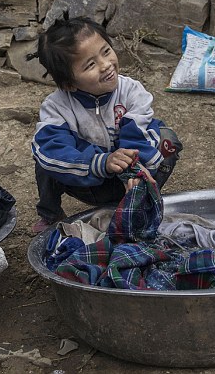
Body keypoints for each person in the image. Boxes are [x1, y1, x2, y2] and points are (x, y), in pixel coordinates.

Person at [30, 15, 182, 233]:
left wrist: (134, 170)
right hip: (85, 178)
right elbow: (53, 150)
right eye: (90, 64)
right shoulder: (57, 108)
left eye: (106, 51)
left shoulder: (131, 92)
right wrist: (101, 162)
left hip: (125, 182)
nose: (106, 65)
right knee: (44, 155)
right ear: (69, 84)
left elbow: (138, 135)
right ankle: (51, 214)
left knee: (167, 138)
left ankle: (138, 201)